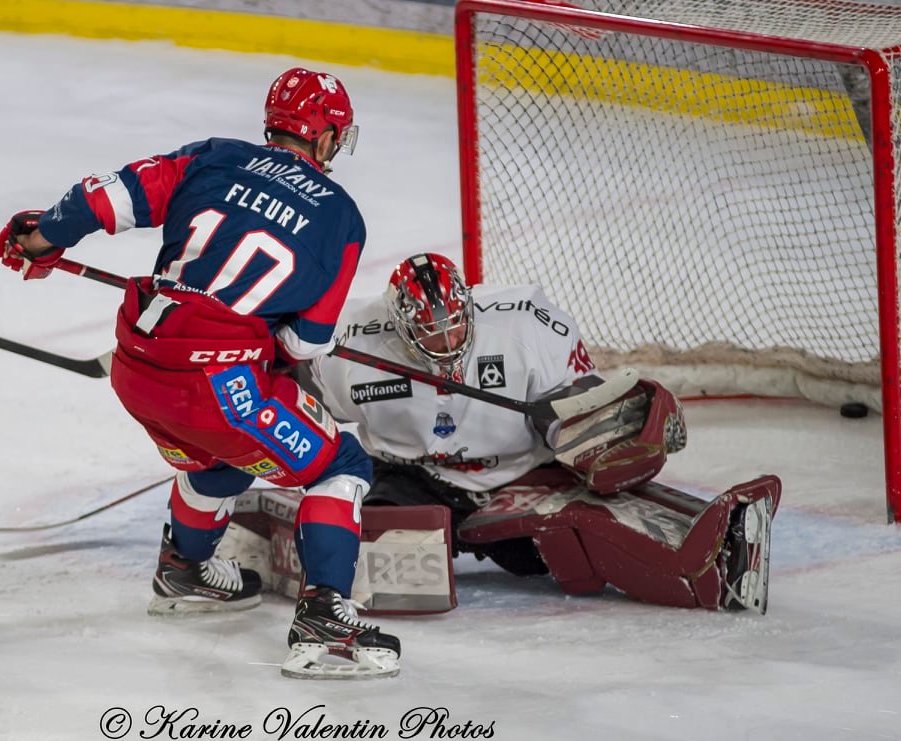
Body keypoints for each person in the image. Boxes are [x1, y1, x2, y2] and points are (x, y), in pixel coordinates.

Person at [0, 67, 401, 679]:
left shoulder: (212, 157)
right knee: (339, 463)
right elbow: (304, 341)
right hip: (220, 386)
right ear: (324, 137)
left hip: (138, 368)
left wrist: (42, 239)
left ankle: (184, 572)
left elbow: (102, 198)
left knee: (220, 459)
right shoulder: (340, 216)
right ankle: (325, 617)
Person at [307, 252, 781, 613]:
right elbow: (307, 406)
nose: (446, 343)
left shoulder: (525, 320)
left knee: (580, 527)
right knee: (367, 556)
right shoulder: (348, 343)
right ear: (400, 327)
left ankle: (723, 553)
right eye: (430, 334)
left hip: (518, 475)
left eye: (453, 328)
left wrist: (583, 435)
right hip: (412, 482)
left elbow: (572, 401)